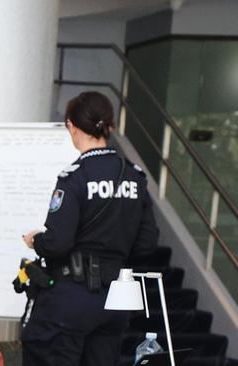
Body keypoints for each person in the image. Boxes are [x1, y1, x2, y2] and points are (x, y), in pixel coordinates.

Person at [21, 91, 159, 366]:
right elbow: (147, 244)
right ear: (110, 127)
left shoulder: (75, 176)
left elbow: (58, 243)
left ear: (72, 126)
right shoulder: (135, 175)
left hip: (71, 297)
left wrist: (36, 241)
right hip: (115, 300)